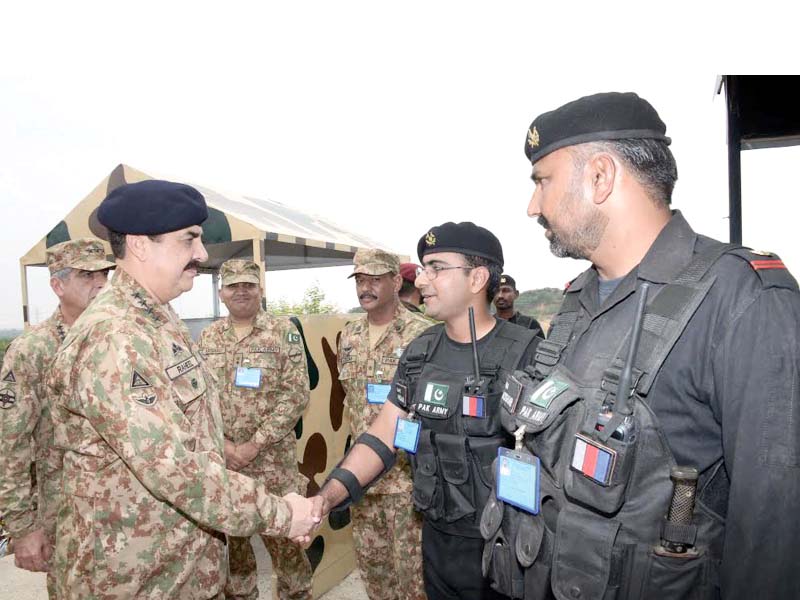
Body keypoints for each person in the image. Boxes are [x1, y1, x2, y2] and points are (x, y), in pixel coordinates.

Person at [483, 91, 800, 600]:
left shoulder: (742, 298)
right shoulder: (577, 299)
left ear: (601, 176)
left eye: (543, 181)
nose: (532, 206)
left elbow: (775, 527)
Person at [48, 180, 320, 599]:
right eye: (189, 239)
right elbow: (174, 468)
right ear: (139, 244)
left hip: (179, 566)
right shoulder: (116, 336)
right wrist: (282, 514)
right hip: (134, 578)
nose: (202, 254)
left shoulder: (159, 319)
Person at [315, 222, 543, 600]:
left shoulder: (528, 355)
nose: (422, 280)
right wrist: (328, 497)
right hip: (436, 537)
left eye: (437, 268)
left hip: (503, 546)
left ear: (478, 278)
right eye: (423, 268)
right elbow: (384, 433)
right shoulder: (420, 352)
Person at [0, 238, 113, 587]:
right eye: (85, 275)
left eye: (103, 275)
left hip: (128, 510)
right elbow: (11, 442)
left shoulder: (120, 338)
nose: (99, 283)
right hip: (67, 514)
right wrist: (21, 526)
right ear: (57, 285)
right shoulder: (33, 350)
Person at [199, 259, 313, 600]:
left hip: (273, 465)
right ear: (222, 293)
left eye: (249, 284)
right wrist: (225, 444)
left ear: (260, 289)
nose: (242, 291)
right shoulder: (208, 336)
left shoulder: (283, 331)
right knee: (234, 551)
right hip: (226, 464)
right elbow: (199, 397)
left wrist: (253, 444)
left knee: (287, 549)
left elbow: (295, 395)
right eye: (233, 286)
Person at [337, 248, 430, 600]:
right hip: (364, 482)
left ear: (396, 281)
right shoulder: (349, 336)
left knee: (413, 581)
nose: (366, 287)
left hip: (407, 482)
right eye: (360, 279)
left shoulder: (423, 335)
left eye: (375, 279)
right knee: (374, 574)